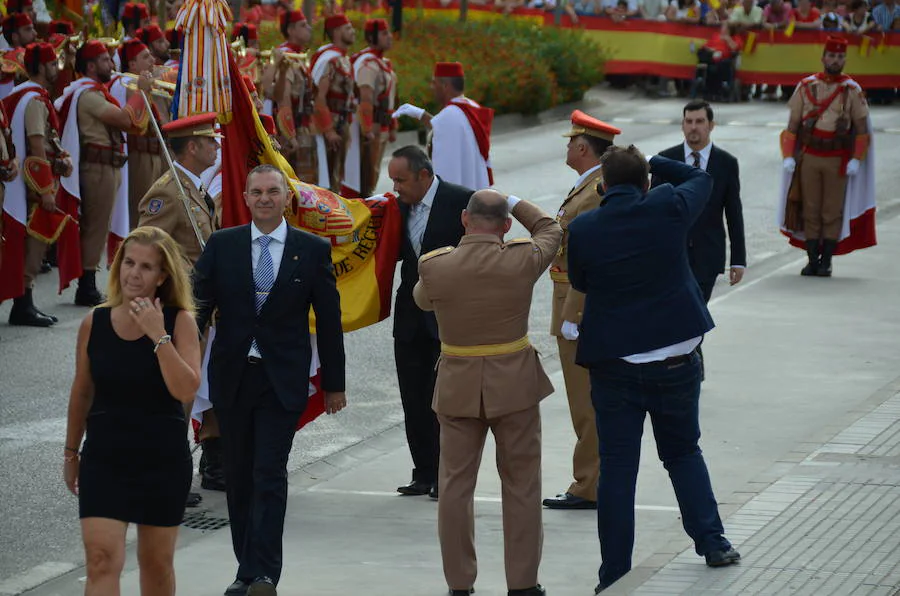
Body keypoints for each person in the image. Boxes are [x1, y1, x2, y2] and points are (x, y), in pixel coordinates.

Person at [568, 146, 740, 594]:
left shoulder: (585, 226)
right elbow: (700, 179)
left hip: (614, 366)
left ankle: (614, 573)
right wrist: (656, 162)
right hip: (676, 361)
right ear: (646, 184)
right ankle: (713, 541)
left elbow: (582, 281)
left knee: (618, 469)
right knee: (683, 452)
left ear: (602, 188)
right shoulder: (667, 206)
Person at [193, 164, 346, 596]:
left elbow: (330, 322)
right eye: (256, 191)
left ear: (285, 198)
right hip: (233, 379)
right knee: (238, 477)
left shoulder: (311, 249)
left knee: (269, 472)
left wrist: (334, 384)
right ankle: (246, 569)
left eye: (272, 191)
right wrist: (175, 356)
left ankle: (264, 575)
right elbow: (197, 310)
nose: (264, 198)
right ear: (244, 197)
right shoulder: (222, 246)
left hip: (282, 380)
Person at [414, 190, 561, 596]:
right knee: (521, 484)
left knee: (455, 487)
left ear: (464, 219)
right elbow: (551, 228)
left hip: (458, 385)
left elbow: (422, 302)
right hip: (513, 383)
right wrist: (514, 201)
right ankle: (523, 583)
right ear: (507, 225)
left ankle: (459, 584)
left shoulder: (435, 266)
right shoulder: (521, 259)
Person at [63, 226, 202, 596]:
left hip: (161, 460)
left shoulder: (179, 322)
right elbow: (82, 390)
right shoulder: (96, 321)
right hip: (105, 459)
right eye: (128, 262)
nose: (133, 274)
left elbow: (185, 388)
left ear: (162, 276)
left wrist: (157, 334)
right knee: (101, 560)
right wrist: (71, 451)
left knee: (156, 567)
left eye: (145, 266)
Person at [542, 110, 619, 511]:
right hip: (574, 305)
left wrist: (574, 315)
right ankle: (594, 478)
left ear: (584, 147)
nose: (568, 147)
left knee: (585, 401)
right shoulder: (588, 187)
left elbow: (586, 258)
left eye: (571, 141)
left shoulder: (593, 193)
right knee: (588, 400)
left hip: (577, 309)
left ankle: (589, 483)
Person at [387, 145, 473, 499]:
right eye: (392, 180)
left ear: (424, 175)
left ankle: (445, 474)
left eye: (401, 180)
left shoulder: (462, 201)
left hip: (449, 319)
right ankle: (423, 471)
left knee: (446, 402)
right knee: (413, 397)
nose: (396, 188)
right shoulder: (394, 208)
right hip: (409, 317)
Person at [55, 40, 153, 306]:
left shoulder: (95, 92)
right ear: (90, 65)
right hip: (96, 168)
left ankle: (88, 281)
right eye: (104, 60)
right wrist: (140, 93)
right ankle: (86, 285)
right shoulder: (88, 95)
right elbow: (124, 119)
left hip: (106, 166)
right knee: (96, 227)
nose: (111, 65)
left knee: (98, 225)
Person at [779, 36, 873, 277]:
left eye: (840, 57)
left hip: (837, 158)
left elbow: (862, 130)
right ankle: (812, 259)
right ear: (823, 58)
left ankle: (826, 262)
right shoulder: (806, 86)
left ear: (845, 60)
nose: (835, 60)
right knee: (810, 208)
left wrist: (856, 159)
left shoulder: (851, 90)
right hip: (810, 155)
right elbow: (792, 126)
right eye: (831, 56)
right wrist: (788, 156)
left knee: (831, 210)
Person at [1, 42, 72, 327]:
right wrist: (45, 190)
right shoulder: (33, 100)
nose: (57, 68)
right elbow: (36, 145)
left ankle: (25, 302)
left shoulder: (26, 96)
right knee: (34, 242)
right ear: (40, 67)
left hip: (29, 182)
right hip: (33, 186)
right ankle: (23, 305)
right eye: (53, 63)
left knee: (32, 243)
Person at [653, 101, 745, 303]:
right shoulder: (665, 160)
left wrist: (738, 260)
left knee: (696, 312)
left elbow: (733, 212)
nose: (693, 126)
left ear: (711, 125)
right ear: (682, 125)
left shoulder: (726, 163)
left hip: (707, 255)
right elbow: (652, 211)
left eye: (700, 121)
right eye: (689, 121)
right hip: (671, 256)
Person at [392, 62, 494, 191]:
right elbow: (447, 125)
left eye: (434, 83)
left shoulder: (450, 115)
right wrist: (421, 115)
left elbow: (445, 171)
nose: (431, 87)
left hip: (459, 195)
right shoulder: (471, 107)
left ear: (445, 85)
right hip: (476, 188)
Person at [138, 112, 220, 266]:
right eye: (211, 140)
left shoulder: (194, 184)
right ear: (192, 148)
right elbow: (147, 246)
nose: (218, 145)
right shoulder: (167, 192)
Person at [343, 18, 397, 198]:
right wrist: (367, 130)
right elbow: (365, 99)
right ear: (372, 37)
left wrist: (392, 126)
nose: (389, 37)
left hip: (381, 124)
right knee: (367, 174)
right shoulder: (368, 64)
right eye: (384, 33)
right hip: (372, 126)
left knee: (372, 173)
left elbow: (391, 98)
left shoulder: (381, 62)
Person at [263, 10, 316, 183]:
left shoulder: (297, 56)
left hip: (303, 125)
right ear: (291, 30)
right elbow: (283, 99)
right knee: (298, 180)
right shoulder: (286, 56)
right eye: (303, 25)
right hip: (293, 128)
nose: (309, 28)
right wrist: (290, 134)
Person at [309, 14, 356, 193]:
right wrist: (328, 130)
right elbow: (318, 97)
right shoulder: (329, 59)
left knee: (337, 174)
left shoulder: (343, 58)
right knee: (327, 176)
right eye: (348, 28)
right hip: (330, 126)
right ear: (336, 32)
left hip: (342, 124)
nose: (353, 32)